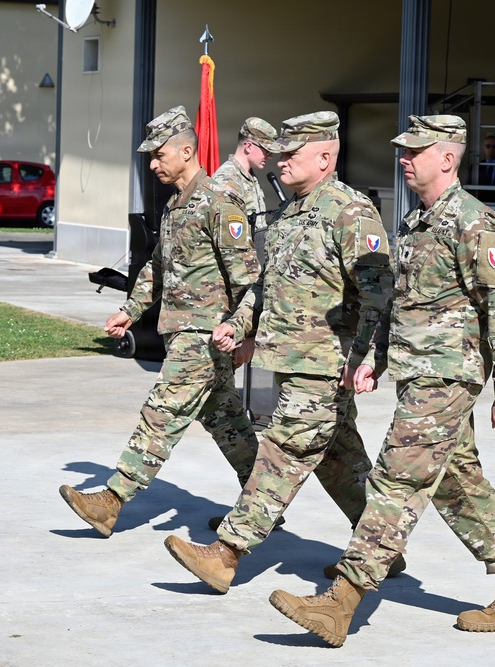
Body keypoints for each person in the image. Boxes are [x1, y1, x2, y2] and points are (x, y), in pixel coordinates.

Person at [268, 114, 495, 648]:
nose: (404, 159)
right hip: (418, 373)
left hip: (447, 377)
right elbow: (400, 305)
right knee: (459, 486)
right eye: (404, 151)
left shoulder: (474, 223)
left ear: (448, 157)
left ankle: (341, 603)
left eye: (416, 151)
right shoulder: (417, 223)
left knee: (395, 480)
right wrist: (374, 358)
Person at [161, 111, 396, 594]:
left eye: (292, 154)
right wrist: (238, 324)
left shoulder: (350, 212)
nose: (281, 161)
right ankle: (380, 551)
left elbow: (379, 294)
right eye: (280, 152)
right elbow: (265, 285)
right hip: (289, 361)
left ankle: (227, 554)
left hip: (324, 365)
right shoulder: (290, 213)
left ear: (325, 158)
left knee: (279, 455)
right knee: (339, 460)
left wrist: (369, 356)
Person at [57, 106, 261, 537]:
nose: (152, 164)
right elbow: (157, 267)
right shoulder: (175, 206)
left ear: (186, 151)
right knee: (229, 425)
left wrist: (244, 333)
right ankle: (262, 508)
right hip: (182, 331)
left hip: (204, 336)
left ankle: (111, 501)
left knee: (161, 412)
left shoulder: (220, 204)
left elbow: (249, 281)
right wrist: (130, 311)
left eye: (158, 154)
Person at [211, 117, 282, 371]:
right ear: (249, 146)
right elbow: (235, 256)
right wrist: (248, 323)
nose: (270, 157)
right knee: (217, 372)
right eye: (266, 150)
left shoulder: (248, 178)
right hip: (230, 293)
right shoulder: (228, 183)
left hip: (246, 289)